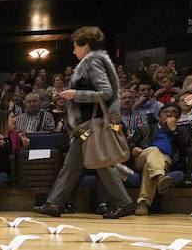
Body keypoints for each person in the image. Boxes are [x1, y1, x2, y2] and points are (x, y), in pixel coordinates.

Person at [33, 26, 135, 219]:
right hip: (89, 125)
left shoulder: (93, 61)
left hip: (92, 125)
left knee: (97, 163)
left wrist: (75, 94)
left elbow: (106, 93)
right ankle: (54, 203)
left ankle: (124, 202)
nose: (73, 51)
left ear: (85, 45)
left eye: (75, 46)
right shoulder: (95, 61)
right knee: (76, 164)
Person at [129, 103, 187, 215]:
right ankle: (161, 177)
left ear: (178, 118)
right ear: (159, 116)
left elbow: (186, 150)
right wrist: (134, 149)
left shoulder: (181, 132)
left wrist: (174, 130)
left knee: (149, 167)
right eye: (166, 112)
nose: (169, 114)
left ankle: (143, 204)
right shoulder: (144, 129)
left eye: (174, 112)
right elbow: (131, 146)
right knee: (154, 150)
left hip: (165, 161)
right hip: (143, 156)